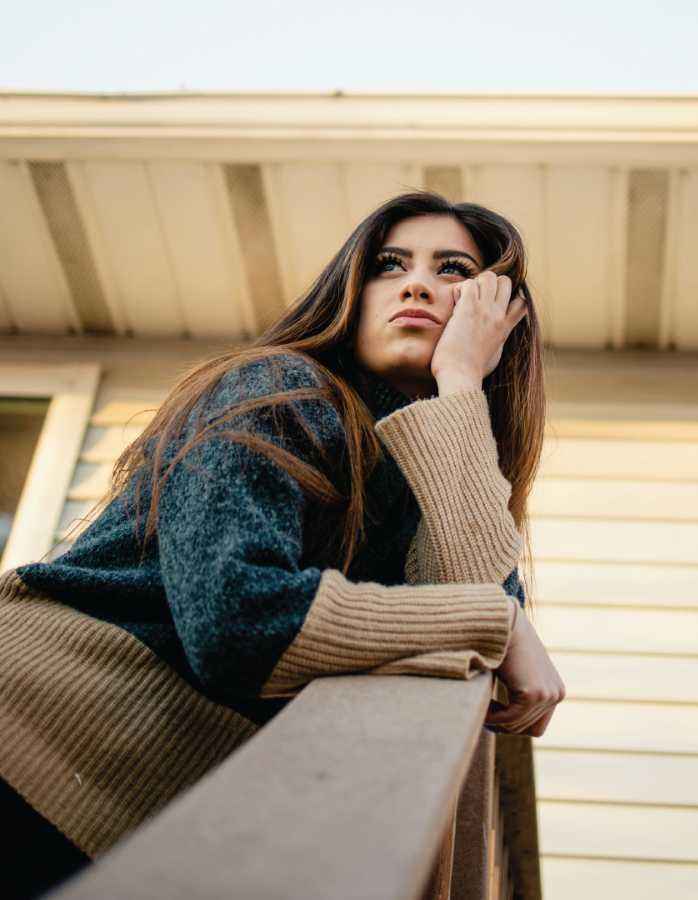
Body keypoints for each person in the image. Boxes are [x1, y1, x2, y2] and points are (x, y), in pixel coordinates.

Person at [0, 190, 566, 897]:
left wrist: (458, 385)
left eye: (453, 270)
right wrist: (497, 620)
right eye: (389, 265)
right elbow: (237, 617)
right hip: (29, 732)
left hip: (131, 812)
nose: (417, 284)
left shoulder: (438, 471)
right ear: (350, 293)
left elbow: (474, 642)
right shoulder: (278, 388)